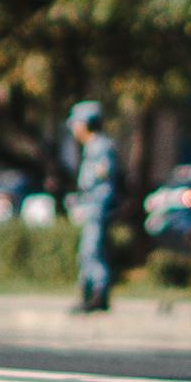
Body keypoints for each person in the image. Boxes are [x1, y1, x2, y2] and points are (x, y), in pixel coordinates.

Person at [68, 102, 121, 313]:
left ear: (86, 124)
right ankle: (88, 293)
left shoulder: (101, 147)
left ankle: (98, 295)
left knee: (92, 250)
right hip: (90, 206)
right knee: (87, 251)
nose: (73, 129)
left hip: (97, 207)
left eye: (76, 124)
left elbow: (103, 181)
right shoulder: (92, 147)